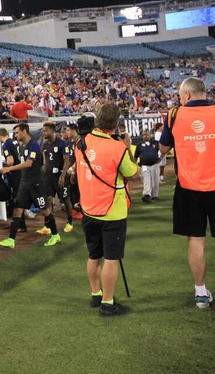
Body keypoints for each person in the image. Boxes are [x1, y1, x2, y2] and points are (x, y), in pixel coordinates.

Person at [73, 103, 137, 316]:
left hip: (88, 209)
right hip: (112, 211)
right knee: (111, 258)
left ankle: (96, 295)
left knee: (94, 255)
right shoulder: (117, 147)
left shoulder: (80, 142)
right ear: (116, 124)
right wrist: (126, 146)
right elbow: (132, 172)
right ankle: (108, 304)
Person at [159, 77, 215, 309]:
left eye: (181, 96)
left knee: (196, 239)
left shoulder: (174, 115)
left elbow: (162, 150)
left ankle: (201, 294)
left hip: (189, 187)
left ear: (188, 96)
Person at [0, 123, 61, 248]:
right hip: (24, 183)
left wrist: (9, 169)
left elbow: (29, 163)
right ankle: (11, 240)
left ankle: (55, 234)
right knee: (17, 209)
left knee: (45, 210)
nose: (15, 135)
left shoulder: (34, 145)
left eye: (17, 132)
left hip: (35, 183)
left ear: (24, 132)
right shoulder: (21, 146)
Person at [39, 122, 74, 233]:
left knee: (65, 199)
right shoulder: (44, 145)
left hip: (59, 176)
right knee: (49, 200)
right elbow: (45, 161)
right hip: (48, 177)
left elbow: (67, 160)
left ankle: (69, 222)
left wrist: (63, 176)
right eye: (43, 130)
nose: (44, 132)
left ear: (52, 131)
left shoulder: (62, 144)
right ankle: (48, 225)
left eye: (46, 130)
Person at [0, 127, 26, 233]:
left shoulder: (5, 145)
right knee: (17, 198)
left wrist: (4, 166)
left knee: (16, 199)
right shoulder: (15, 142)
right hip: (20, 172)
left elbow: (10, 161)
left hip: (14, 174)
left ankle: (20, 225)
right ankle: (16, 223)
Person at [134, 130, 161, 203]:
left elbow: (162, 151)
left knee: (155, 181)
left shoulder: (156, 143)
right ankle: (147, 195)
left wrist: (161, 158)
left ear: (150, 135)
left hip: (154, 164)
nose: (145, 136)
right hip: (144, 165)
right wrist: (134, 165)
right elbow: (136, 156)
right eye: (144, 135)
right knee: (146, 180)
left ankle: (155, 195)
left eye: (147, 135)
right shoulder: (139, 145)